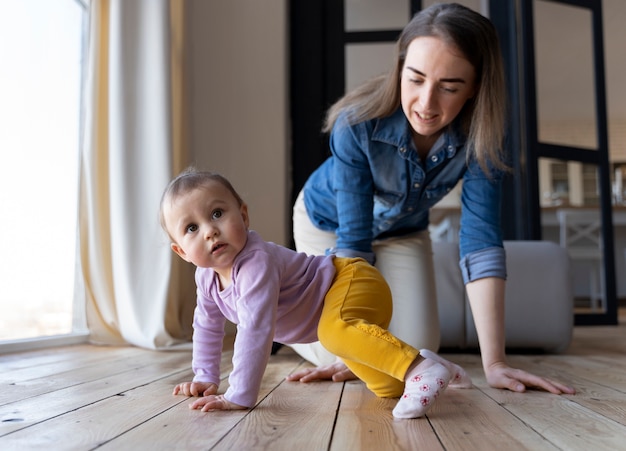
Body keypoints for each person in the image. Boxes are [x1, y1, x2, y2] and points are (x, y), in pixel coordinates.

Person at [287, 3, 575, 395]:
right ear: (400, 67)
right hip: (329, 224)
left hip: (403, 229)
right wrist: (351, 346)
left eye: (450, 87)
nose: (425, 103)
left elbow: (481, 242)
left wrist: (495, 363)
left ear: (474, 87)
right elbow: (354, 242)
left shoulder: (484, 136)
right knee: (351, 350)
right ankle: (280, 313)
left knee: (421, 344)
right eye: (415, 79)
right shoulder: (355, 124)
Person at [160, 167, 474, 419]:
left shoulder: (256, 262)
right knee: (387, 386)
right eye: (191, 228)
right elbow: (207, 327)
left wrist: (238, 394)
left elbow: (255, 329)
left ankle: (420, 369)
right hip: (335, 302)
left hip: (350, 278)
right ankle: (427, 364)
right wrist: (204, 376)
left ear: (243, 215)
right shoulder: (206, 279)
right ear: (181, 252)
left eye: (217, 214)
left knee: (333, 332)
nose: (210, 230)